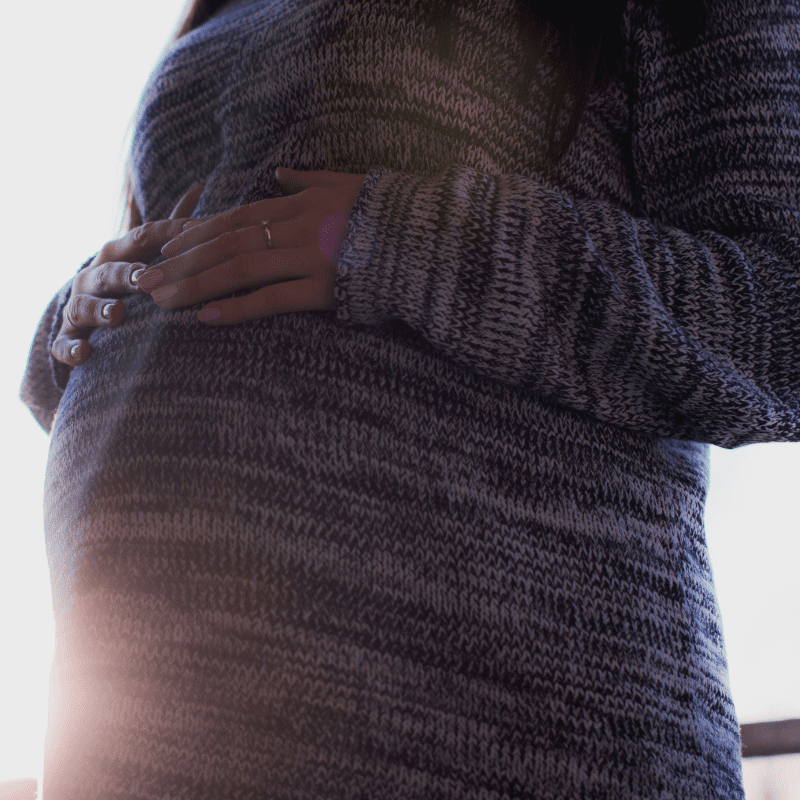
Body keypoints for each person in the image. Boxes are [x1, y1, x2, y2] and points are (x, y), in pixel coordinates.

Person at [19, 0, 800, 796]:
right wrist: (78, 323)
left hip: (498, 717)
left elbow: (781, 320)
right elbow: (212, 237)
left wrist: (397, 239)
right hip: (146, 698)